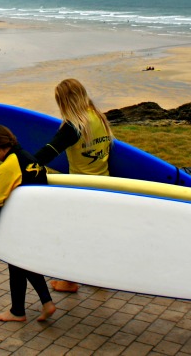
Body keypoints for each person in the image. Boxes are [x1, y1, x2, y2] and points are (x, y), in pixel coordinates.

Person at [34, 78, 113, 292]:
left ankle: (69, 281)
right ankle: (100, 278)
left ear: (65, 102)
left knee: (73, 234)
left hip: (81, 188)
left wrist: (24, 164)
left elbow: (50, 151)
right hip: (104, 185)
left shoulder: (74, 127)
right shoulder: (99, 117)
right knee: (95, 234)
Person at [0, 125, 56, 323]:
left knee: (19, 261)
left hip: (23, 223)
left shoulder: (7, 167)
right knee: (17, 263)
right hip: (40, 218)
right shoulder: (30, 158)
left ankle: (35, 305)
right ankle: (20, 310)